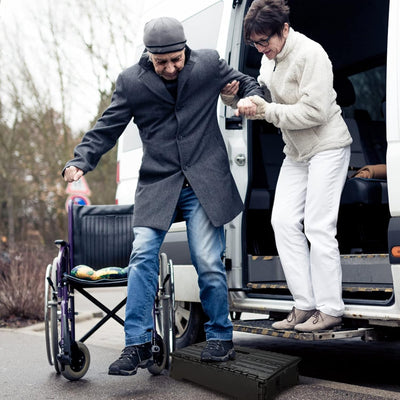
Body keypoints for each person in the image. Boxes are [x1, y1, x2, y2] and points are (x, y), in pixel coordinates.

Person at [63, 17, 263, 375]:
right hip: (159, 183)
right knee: (141, 256)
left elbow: (247, 81)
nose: (170, 67)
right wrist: (80, 162)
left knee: (208, 259)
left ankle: (220, 337)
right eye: (162, 62)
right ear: (149, 57)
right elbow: (107, 128)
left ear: (185, 50)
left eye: (176, 59)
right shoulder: (131, 82)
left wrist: (251, 96)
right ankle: (136, 344)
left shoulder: (208, 64)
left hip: (204, 180)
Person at [226, 0, 353, 332]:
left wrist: (266, 111)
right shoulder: (270, 61)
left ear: (284, 29)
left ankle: (330, 310)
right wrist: (234, 97)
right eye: (255, 44)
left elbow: (314, 113)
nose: (261, 50)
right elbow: (261, 92)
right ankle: (304, 305)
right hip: (296, 153)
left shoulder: (312, 55)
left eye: (265, 41)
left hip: (328, 146)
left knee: (318, 226)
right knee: (281, 221)